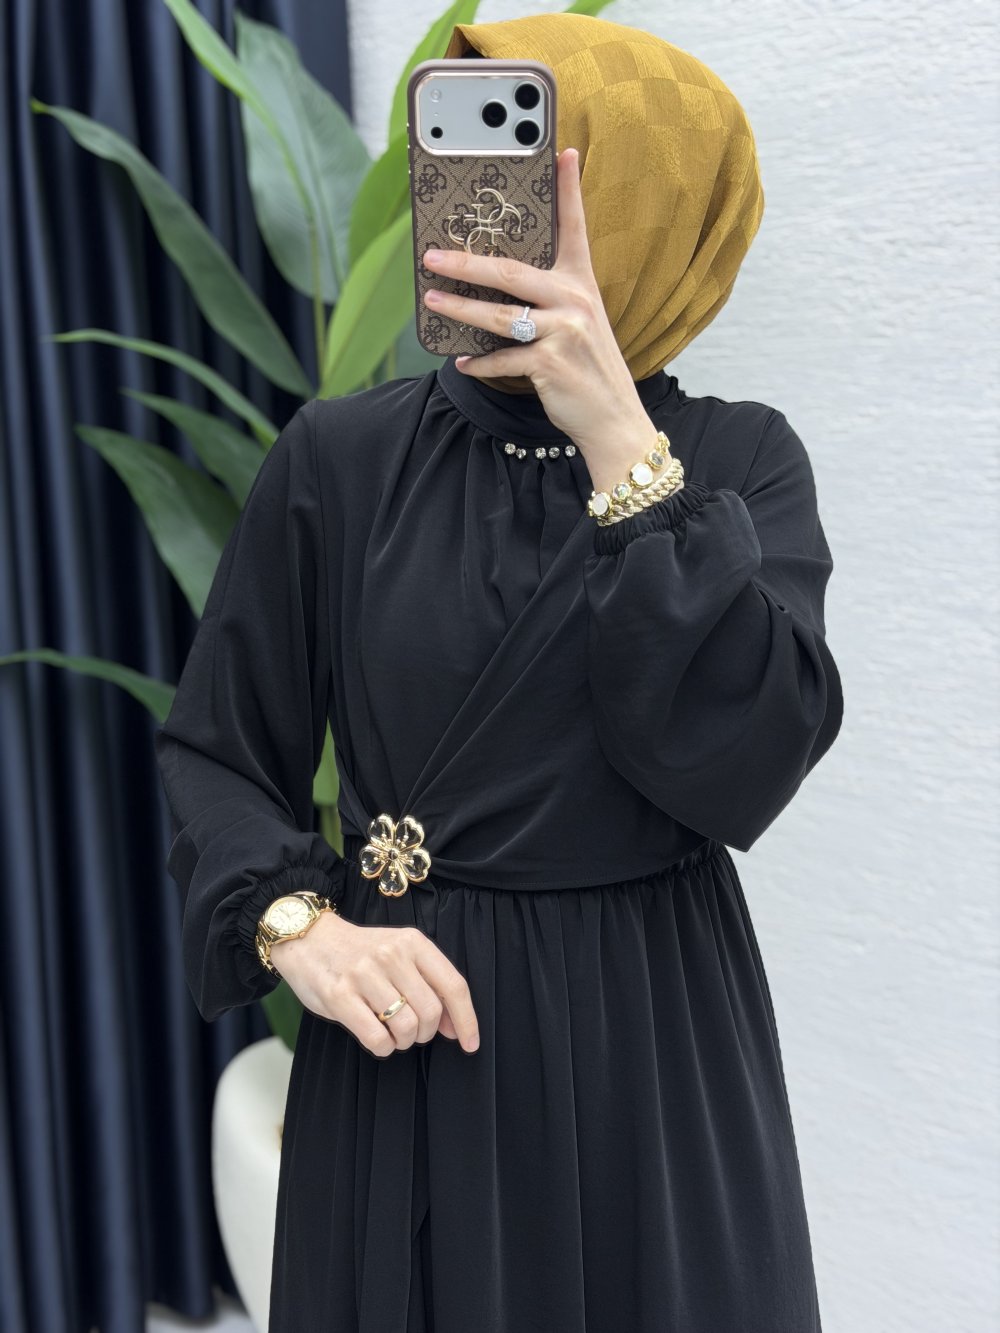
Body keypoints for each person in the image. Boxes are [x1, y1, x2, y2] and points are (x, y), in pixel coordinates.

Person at [154, 13, 844, 1332]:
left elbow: (745, 765)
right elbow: (218, 747)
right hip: (408, 1033)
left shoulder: (739, 464)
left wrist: (624, 455)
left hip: (651, 1044)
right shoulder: (340, 458)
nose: (466, 198)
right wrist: (299, 927)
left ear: (642, 209)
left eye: (527, 160)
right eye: (450, 152)